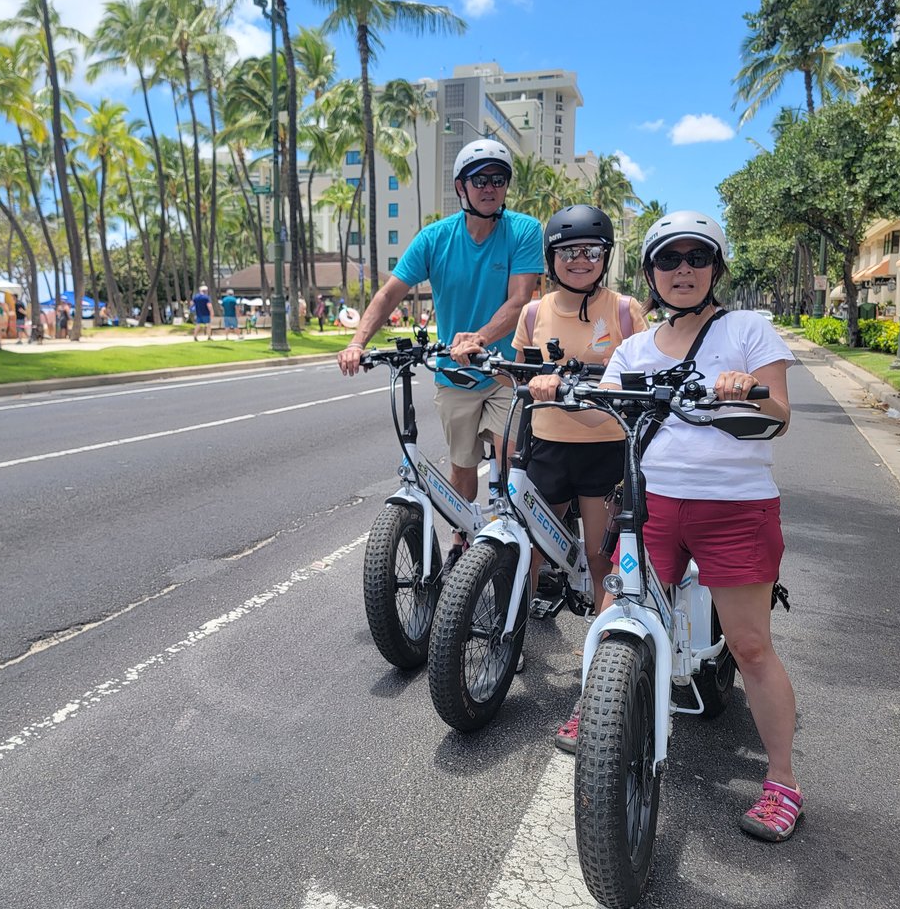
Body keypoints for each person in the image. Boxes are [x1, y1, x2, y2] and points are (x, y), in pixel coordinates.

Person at [538, 210, 799, 842]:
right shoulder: (633, 348)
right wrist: (559, 391)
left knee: (751, 645)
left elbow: (780, 415)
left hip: (734, 507)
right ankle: (594, 705)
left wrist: (747, 389)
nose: (683, 270)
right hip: (651, 503)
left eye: (696, 258)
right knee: (614, 610)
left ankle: (783, 782)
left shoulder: (747, 329)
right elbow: (604, 411)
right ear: (651, 273)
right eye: (669, 260)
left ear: (715, 268)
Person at [338, 138, 541, 577]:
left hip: (505, 372)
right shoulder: (435, 238)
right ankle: (461, 539)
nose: (490, 188)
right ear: (460, 187)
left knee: (508, 458)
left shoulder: (523, 230)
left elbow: (520, 300)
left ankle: (512, 544)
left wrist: (480, 338)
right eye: (479, 179)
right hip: (454, 375)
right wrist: (357, 342)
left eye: (498, 179)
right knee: (462, 467)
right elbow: (389, 294)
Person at [518, 205, 646, 702]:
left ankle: (602, 662)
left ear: (605, 257)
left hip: (605, 449)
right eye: (568, 251)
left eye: (591, 251)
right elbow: (520, 373)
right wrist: (537, 378)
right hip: (546, 445)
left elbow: (645, 374)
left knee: (599, 556)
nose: (580, 260)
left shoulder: (624, 310)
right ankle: (510, 636)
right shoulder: (534, 312)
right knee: (530, 549)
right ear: (552, 258)